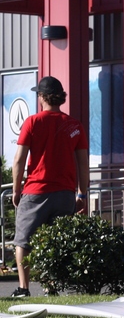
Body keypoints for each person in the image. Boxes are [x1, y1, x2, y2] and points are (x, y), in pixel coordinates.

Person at [10, 76, 89, 298]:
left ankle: (24, 289)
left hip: (36, 191)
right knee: (56, 240)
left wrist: (17, 190)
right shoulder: (74, 125)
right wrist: (82, 192)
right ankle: (51, 287)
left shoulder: (33, 122)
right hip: (65, 193)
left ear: (42, 97)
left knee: (24, 240)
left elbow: (18, 160)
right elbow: (83, 163)